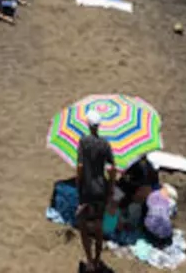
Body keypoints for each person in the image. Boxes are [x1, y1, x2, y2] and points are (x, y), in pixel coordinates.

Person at [75, 113, 117, 272]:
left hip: (86, 190)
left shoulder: (83, 142)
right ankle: (98, 260)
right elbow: (113, 169)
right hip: (101, 190)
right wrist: (111, 189)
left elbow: (79, 167)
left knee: (84, 227)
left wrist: (78, 184)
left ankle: (90, 262)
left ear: (88, 125)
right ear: (99, 126)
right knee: (99, 228)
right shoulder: (105, 144)